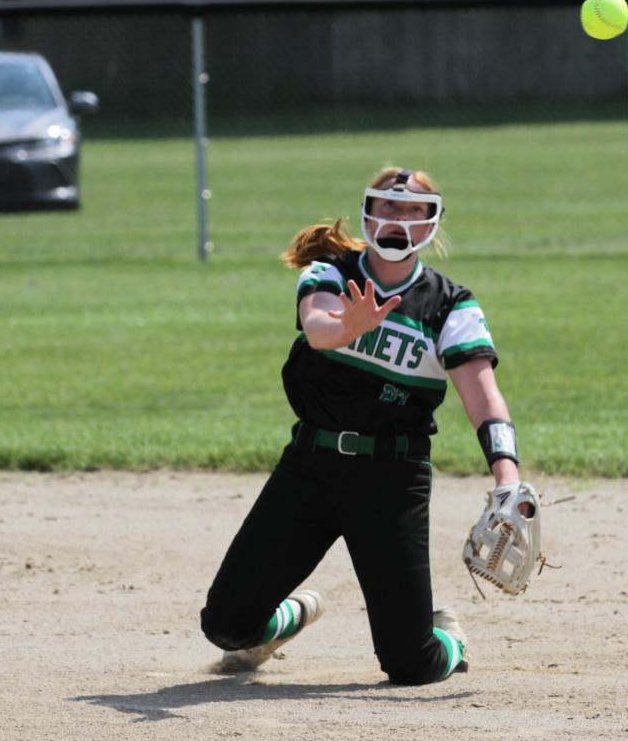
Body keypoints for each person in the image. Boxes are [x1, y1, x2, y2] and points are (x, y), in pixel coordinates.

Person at [200, 166, 523, 686]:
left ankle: (448, 637)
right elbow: (319, 327)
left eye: (413, 209)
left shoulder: (450, 304)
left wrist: (507, 474)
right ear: (370, 214)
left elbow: (483, 396)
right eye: (388, 207)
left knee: (410, 664)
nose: (398, 218)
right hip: (311, 468)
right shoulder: (331, 270)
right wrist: (349, 325)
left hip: (393, 480)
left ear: (431, 223)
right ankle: (290, 617)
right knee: (226, 626)